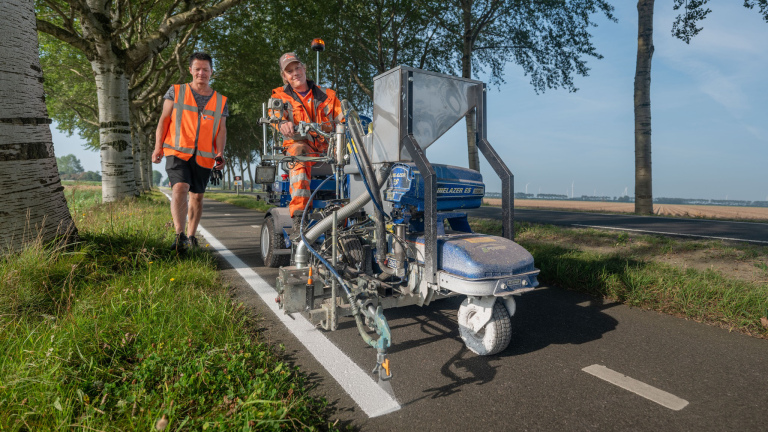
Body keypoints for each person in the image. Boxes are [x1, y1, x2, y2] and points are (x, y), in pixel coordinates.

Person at [152, 52, 228, 252]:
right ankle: (180, 235)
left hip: (204, 155)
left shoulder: (221, 100)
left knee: (197, 196)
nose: (201, 73)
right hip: (176, 151)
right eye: (197, 69)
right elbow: (164, 119)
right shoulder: (175, 91)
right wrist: (158, 146)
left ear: (211, 72)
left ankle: (192, 236)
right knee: (180, 187)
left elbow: (221, 130)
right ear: (190, 71)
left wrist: (220, 152)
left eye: (205, 69)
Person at [271, 52, 343, 238]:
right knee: (299, 153)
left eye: (297, 68)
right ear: (284, 76)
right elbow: (275, 115)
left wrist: (342, 139)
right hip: (301, 147)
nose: (295, 73)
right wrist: (282, 123)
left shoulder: (328, 95)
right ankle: (300, 217)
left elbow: (343, 119)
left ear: (304, 69)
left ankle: (347, 214)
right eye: (289, 71)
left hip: (328, 148)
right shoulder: (280, 96)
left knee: (352, 156)